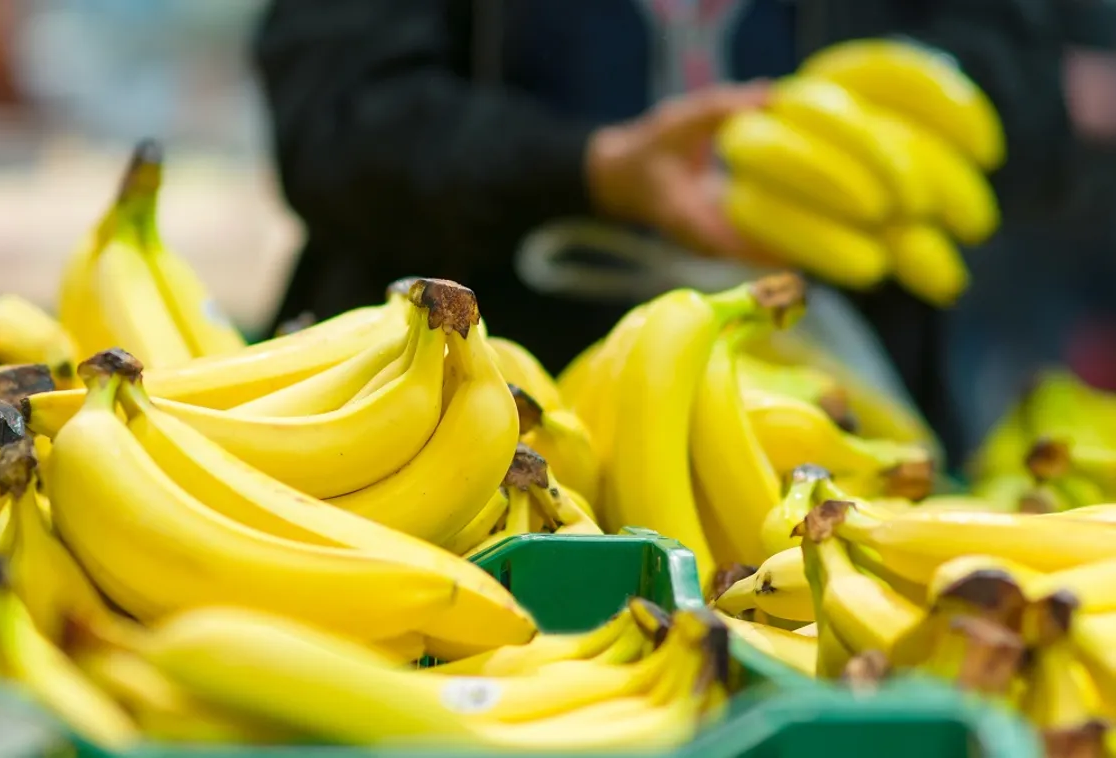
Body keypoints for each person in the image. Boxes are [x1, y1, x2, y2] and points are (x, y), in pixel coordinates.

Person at [254, 0, 1116, 462]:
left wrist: (862, 152)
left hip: (846, 419)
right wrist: (589, 168)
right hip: (443, 421)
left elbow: (1049, 81)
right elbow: (335, 124)